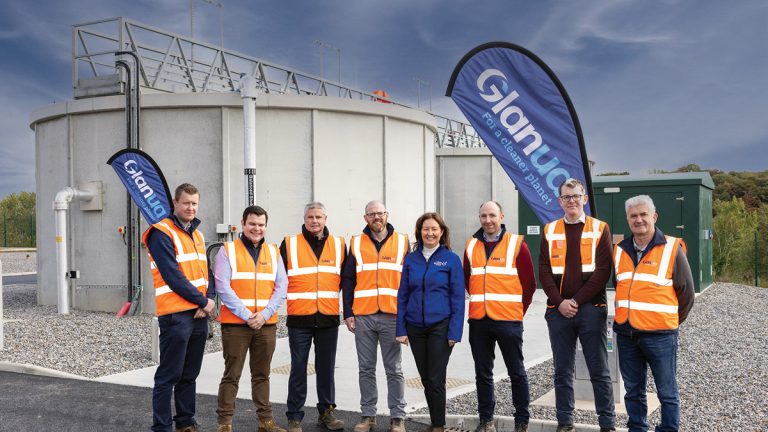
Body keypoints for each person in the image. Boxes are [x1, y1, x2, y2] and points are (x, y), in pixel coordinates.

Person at [539, 178, 616, 432]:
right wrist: (560, 302)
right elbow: (544, 271)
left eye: (575, 196)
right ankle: (565, 422)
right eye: (566, 197)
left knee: (599, 370)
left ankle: (607, 424)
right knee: (562, 371)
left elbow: (603, 271)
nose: (571, 201)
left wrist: (575, 301)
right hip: (558, 311)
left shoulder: (600, 228)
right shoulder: (550, 230)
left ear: (584, 198)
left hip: (591, 309)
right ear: (560, 201)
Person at [613, 195, 694, 432]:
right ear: (627, 219)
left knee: (666, 391)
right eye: (633, 216)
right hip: (627, 334)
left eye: (643, 214)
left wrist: (669, 322)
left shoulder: (672, 248)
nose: (638, 220)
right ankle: (637, 428)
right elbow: (619, 286)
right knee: (633, 390)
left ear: (654, 216)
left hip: (660, 336)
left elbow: (686, 293)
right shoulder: (619, 250)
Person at [142, 183, 215, 432]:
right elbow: (172, 275)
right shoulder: (160, 233)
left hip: (198, 314)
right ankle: (162, 427)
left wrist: (207, 301)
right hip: (175, 315)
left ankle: (185, 422)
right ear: (175, 203)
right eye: (186, 203)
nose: (191, 207)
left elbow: (207, 273)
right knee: (168, 375)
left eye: (194, 203)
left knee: (189, 374)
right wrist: (203, 302)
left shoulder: (197, 235)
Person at [213, 205, 288, 432]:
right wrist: (248, 316)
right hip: (236, 325)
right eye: (252, 224)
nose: (257, 228)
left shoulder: (274, 252)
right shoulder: (227, 251)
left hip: (266, 325)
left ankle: (265, 421)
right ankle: (225, 423)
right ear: (243, 224)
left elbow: (282, 287)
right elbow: (222, 287)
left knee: (262, 375)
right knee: (232, 375)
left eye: (261, 224)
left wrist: (264, 315)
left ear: (266, 226)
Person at [464, 201, 536, 432]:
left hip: (508, 321)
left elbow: (529, 284)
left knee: (517, 372)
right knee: (483, 374)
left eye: (492, 215)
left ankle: (522, 422)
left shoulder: (517, 245)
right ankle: (486, 420)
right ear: (479, 218)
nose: (488, 220)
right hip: (479, 321)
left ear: (501, 217)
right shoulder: (471, 245)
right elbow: (468, 279)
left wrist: (518, 312)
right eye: (483, 216)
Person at [342, 200, 409, 432]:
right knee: (366, 368)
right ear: (365, 218)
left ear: (387, 215)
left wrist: (407, 316)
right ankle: (368, 415)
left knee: (394, 369)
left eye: (380, 213)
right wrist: (348, 312)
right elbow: (348, 279)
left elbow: (409, 280)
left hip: (393, 315)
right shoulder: (356, 242)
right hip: (364, 315)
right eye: (371, 214)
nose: (376, 217)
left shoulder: (402, 242)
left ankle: (397, 417)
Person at [280, 202, 347, 432]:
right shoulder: (290, 244)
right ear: (304, 219)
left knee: (326, 368)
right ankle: (294, 417)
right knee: (298, 367)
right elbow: (279, 278)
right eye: (310, 217)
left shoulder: (339, 244)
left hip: (328, 317)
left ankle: (326, 413)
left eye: (319, 217)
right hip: (299, 318)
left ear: (325, 219)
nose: (314, 221)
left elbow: (344, 280)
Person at [396, 212, 465, 432]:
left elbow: (458, 298)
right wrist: (401, 329)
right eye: (426, 229)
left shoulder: (451, 259)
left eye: (434, 229)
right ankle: (436, 422)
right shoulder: (410, 259)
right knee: (426, 378)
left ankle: (438, 426)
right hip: (415, 327)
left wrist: (454, 332)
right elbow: (403, 295)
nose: (430, 233)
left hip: (440, 326)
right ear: (420, 232)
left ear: (441, 232)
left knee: (435, 378)